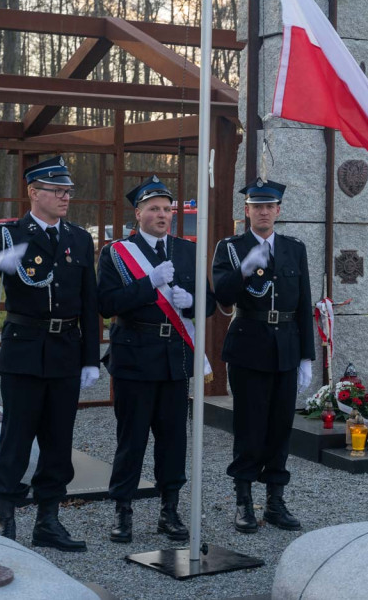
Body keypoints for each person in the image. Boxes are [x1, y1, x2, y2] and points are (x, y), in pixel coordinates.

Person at [0, 155, 99, 552]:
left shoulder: (77, 238)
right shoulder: (8, 234)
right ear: (33, 192)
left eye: (68, 190)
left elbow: (89, 300)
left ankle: (48, 520)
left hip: (66, 352)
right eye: (57, 190)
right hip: (25, 350)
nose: (65, 197)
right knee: (17, 437)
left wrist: (91, 356)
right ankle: (6, 516)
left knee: (58, 440)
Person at [96, 176, 215, 544]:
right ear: (139, 214)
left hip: (173, 359)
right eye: (155, 209)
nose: (163, 215)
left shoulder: (186, 250)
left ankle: (170, 510)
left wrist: (191, 303)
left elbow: (209, 303)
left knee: (173, 439)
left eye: (167, 209)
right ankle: (123, 510)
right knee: (131, 439)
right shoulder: (116, 253)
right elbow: (107, 305)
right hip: (134, 357)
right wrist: (148, 283)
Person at [212, 178, 314, 534]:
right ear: (247, 211)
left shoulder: (293, 248)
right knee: (249, 426)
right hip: (249, 346)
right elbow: (221, 295)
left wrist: (306, 356)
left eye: (270, 206)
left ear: (279, 211)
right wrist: (244, 267)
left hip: (286, 345)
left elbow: (303, 303)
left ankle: (275, 500)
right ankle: (243, 500)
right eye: (257, 206)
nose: (264, 212)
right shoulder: (230, 247)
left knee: (279, 426)